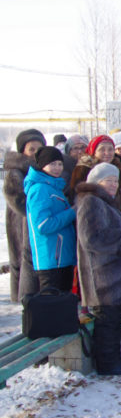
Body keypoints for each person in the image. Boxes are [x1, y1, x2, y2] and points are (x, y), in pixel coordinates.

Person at [75, 163, 121, 375]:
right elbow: (91, 238)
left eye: (115, 180)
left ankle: (113, 359)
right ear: (96, 182)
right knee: (108, 322)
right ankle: (108, 364)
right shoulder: (91, 202)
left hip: (114, 277)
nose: (113, 184)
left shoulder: (105, 202)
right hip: (104, 277)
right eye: (107, 180)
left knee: (114, 319)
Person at [22, 146, 76, 297]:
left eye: (60, 164)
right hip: (51, 258)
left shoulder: (53, 186)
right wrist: (72, 212)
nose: (57, 168)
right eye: (52, 164)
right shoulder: (40, 189)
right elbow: (43, 225)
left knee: (61, 306)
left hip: (60, 257)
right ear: (42, 165)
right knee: (51, 307)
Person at [5, 129, 46, 302]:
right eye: (31, 149)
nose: (35, 153)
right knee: (26, 267)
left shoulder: (44, 169)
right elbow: (18, 202)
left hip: (36, 228)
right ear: (23, 150)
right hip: (22, 227)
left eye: (39, 148)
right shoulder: (16, 173)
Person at [70, 135, 121, 210]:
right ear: (94, 152)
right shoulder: (84, 169)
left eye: (110, 149)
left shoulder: (119, 169)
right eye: (102, 149)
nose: (107, 153)